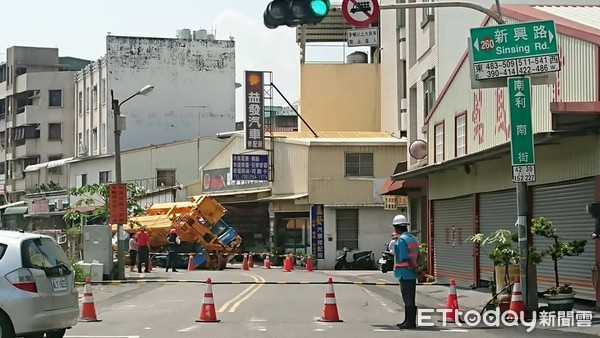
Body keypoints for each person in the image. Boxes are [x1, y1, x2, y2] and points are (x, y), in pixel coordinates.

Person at [392, 214, 421, 329]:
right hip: (411, 272)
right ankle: (408, 320)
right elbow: (419, 256)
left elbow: (405, 257)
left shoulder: (401, 240)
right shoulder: (413, 238)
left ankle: (410, 322)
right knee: (410, 297)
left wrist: (415, 269)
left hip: (404, 272)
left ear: (397, 228)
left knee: (407, 298)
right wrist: (417, 268)